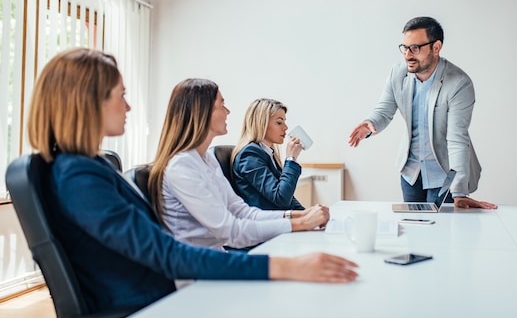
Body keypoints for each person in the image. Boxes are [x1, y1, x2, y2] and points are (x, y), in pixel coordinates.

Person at [27, 48, 358, 315]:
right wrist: (285, 267)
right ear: (88, 101)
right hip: (153, 302)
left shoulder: (91, 166)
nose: (128, 105)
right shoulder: (79, 176)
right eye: (121, 95)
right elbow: (167, 254)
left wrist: (292, 233)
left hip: (163, 292)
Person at [149, 80, 329, 252]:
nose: (228, 111)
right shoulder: (182, 167)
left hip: (221, 255)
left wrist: (303, 216)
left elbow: (243, 212)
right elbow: (231, 231)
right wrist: (300, 222)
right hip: (203, 269)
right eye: (222, 104)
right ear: (202, 112)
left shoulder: (207, 160)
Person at [348, 16, 497, 210]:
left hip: (444, 174)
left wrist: (459, 192)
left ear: (436, 47)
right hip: (410, 173)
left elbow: (457, 138)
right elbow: (384, 109)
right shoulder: (398, 73)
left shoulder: (459, 83)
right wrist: (371, 122)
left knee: (442, 236)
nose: (408, 55)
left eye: (415, 48)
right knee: (413, 233)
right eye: (405, 47)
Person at [232, 98, 306, 211]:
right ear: (262, 123)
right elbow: (281, 198)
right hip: (267, 223)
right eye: (279, 122)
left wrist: (306, 214)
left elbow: (289, 198)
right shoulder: (249, 155)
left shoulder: (267, 153)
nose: (285, 127)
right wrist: (291, 159)